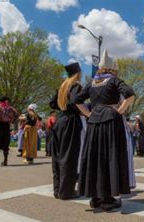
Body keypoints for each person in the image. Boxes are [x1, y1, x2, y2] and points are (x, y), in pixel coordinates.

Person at [74, 49, 135, 211]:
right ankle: (108, 199)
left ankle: (95, 197)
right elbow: (130, 95)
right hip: (110, 120)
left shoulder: (92, 83)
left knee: (95, 156)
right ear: (111, 69)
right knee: (110, 155)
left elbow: (76, 100)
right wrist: (119, 110)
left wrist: (88, 114)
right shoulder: (114, 80)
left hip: (94, 122)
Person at [49, 62, 84, 200]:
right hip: (71, 121)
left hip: (60, 121)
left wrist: (63, 108)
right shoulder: (76, 85)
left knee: (57, 157)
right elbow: (75, 101)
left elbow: (52, 103)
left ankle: (57, 190)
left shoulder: (63, 86)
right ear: (77, 73)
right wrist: (81, 110)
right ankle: (67, 191)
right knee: (69, 156)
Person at [0, 96, 19, 166]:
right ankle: (5, 161)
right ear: (7, 101)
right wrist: (12, 121)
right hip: (6, 126)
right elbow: (17, 115)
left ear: (1, 101)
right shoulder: (11, 108)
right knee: (6, 143)